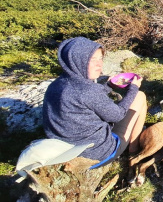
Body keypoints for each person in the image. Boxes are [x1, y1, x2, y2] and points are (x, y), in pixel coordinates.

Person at [42, 37, 147, 166]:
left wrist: (107, 86)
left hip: (63, 153)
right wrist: (133, 89)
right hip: (96, 154)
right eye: (92, 59)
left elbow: (85, 101)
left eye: (100, 58)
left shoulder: (56, 85)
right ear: (77, 60)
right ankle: (133, 148)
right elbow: (118, 115)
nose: (99, 64)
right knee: (140, 96)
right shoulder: (88, 90)